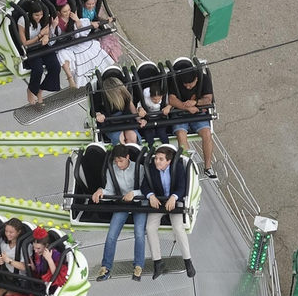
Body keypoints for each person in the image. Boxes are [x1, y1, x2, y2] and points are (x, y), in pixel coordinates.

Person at [93, 144, 148, 281]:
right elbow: (110, 190)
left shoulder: (140, 168)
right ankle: (105, 267)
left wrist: (134, 193)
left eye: (121, 161)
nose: (118, 164)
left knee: (139, 232)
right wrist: (101, 191)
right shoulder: (111, 169)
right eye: (116, 161)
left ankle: (138, 266)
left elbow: (147, 190)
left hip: (140, 204)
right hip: (122, 203)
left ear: (128, 157)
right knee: (111, 234)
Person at [144, 146, 196, 279]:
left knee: (178, 227)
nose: (157, 161)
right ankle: (157, 261)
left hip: (175, 202)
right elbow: (145, 185)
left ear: (168, 161)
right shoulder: (151, 168)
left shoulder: (178, 168)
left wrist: (174, 196)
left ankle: (188, 261)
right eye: (156, 158)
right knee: (150, 228)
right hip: (159, 201)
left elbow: (182, 186)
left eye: (161, 159)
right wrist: (151, 195)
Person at [168, 65, 216, 178]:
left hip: (198, 112)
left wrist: (196, 102)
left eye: (190, 84)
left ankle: (207, 167)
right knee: (181, 135)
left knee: (207, 134)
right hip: (179, 112)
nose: (188, 87)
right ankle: (187, 167)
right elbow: (172, 99)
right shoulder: (176, 79)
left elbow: (208, 98)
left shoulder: (204, 79)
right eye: (186, 85)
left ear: (196, 78)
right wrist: (186, 107)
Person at [18, 0, 59, 107]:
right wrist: (40, 36)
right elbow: (24, 43)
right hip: (30, 48)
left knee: (55, 66)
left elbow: (47, 33)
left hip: (42, 46)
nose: (39, 17)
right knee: (38, 69)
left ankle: (40, 90)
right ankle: (31, 90)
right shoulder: (23, 21)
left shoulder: (44, 18)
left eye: (41, 15)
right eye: (36, 15)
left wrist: (46, 35)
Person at [95, 75, 145, 145]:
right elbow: (94, 110)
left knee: (132, 138)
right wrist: (98, 115)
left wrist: (138, 119)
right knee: (121, 140)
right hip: (110, 123)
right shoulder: (101, 97)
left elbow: (132, 107)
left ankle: (135, 148)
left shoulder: (125, 94)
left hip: (126, 119)